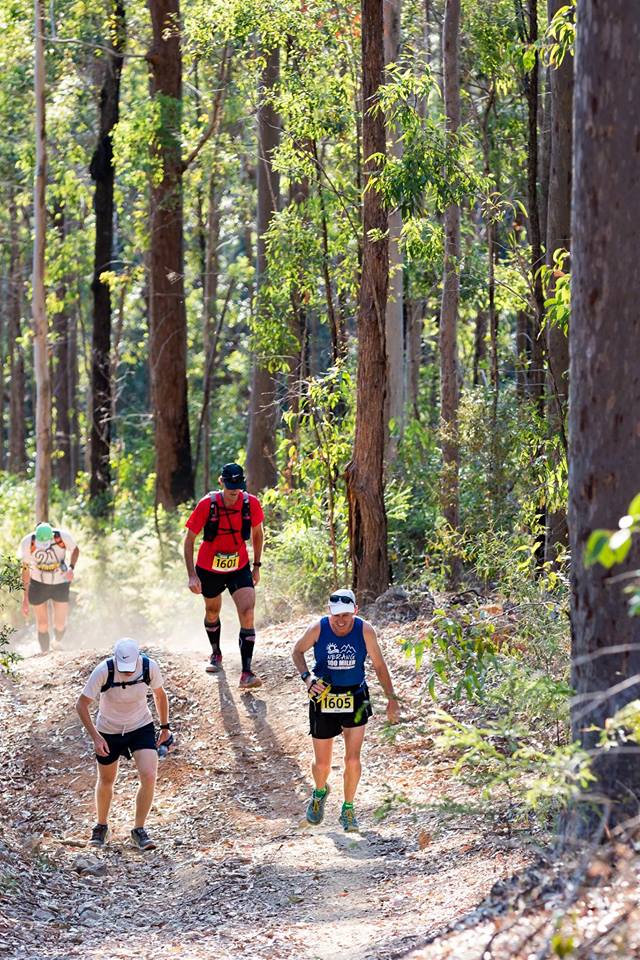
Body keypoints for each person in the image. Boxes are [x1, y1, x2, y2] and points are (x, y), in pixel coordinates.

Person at [292, 588, 401, 832]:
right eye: (336, 616)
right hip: (324, 696)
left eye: (346, 616)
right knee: (322, 765)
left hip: (355, 695)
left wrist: (392, 699)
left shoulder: (365, 630)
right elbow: (297, 651)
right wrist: (308, 678)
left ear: (355, 611)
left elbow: (380, 666)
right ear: (329, 612)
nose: (341, 621)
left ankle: (348, 809)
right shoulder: (318, 628)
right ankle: (320, 791)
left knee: (352, 759)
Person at [75, 637, 171, 851]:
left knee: (149, 775)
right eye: (123, 668)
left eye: (131, 668)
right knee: (107, 779)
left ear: (138, 658)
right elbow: (81, 705)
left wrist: (164, 727)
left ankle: (139, 829)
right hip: (109, 730)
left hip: (141, 726)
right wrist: (96, 737)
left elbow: (160, 695)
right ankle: (101, 826)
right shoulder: (103, 670)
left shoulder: (149, 667)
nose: (127, 672)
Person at [184, 462, 264, 689]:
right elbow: (189, 540)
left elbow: (258, 534)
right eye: (230, 487)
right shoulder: (207, 505)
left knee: (247, 612)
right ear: (221, 482)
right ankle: (216, 653)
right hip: (209, 568)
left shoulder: (251, 503)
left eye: (237, 487)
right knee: (212, 611)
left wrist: (256, 565)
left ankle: (246, 672)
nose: (233, 492)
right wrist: (192, 575)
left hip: (239, 567)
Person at [18, 521, 80, 653]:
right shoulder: (27, 542)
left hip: (60, 582)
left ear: (52, 535)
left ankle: (56, 642)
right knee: (42, 624)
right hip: (38, 583)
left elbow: (75, 549)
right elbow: (25, 569)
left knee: (60, 623)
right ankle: (45, 652)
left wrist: (71, 568)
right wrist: (25, 598)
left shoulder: (63, 537)